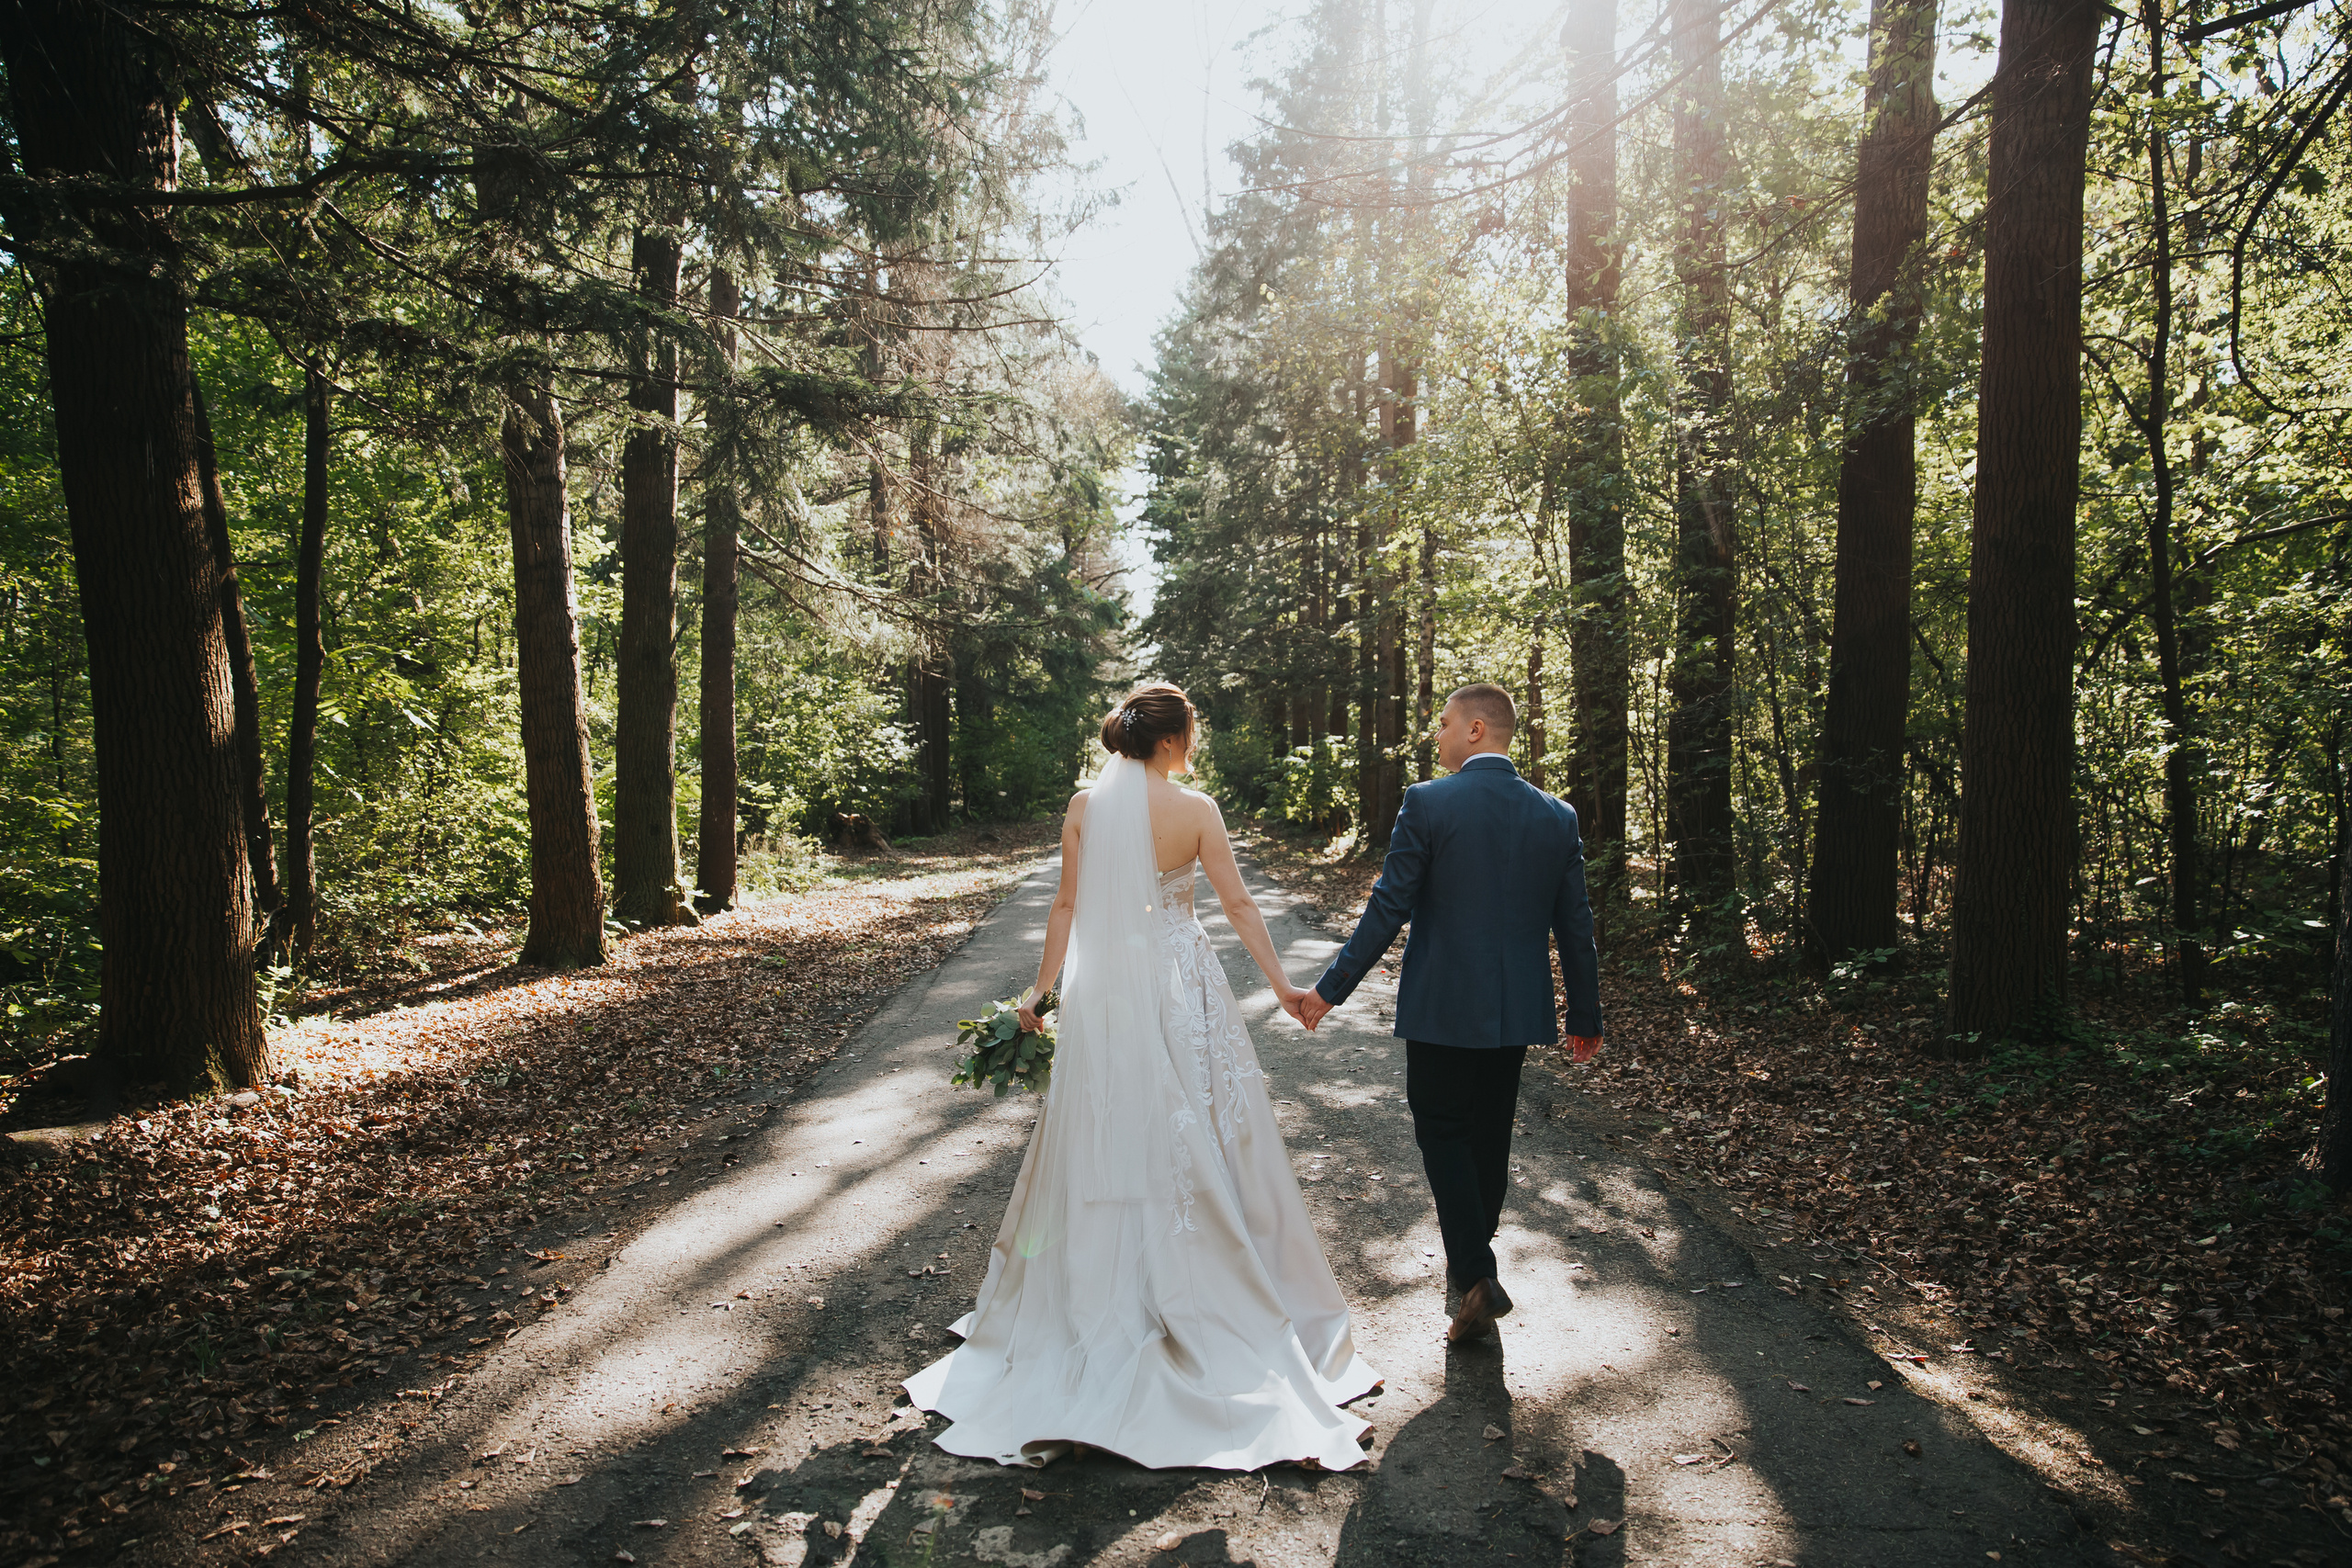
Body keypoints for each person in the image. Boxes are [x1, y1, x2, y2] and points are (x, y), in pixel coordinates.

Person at [903, 682, 1381, 1470]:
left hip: (1106, 989)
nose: (1195, 738)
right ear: (1172, 740)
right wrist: (1285, 987)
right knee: (1207, 1125)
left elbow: (1063, 907)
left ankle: (1096, 1294)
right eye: (1191, 729)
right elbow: (1237, 905)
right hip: (1181, 982)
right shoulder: (1196, 810)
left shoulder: (1085, 804)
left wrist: (1041, 992)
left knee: (1108, 1122)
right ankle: (1216, 1289)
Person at [1297, 682, 1602, 1345]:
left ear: (1475, 730)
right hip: (1517, 1008)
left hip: (1441, 1005)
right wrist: (1586, 1014)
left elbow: (1389, 906)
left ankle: (1474, 1275)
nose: (1434, 735)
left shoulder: (1428, 802)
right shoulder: (1558, 815)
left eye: (1442, 724)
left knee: (1442, 1129)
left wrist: (1330, 989)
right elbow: (1575, 925)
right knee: (1489, 1136)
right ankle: (1472, 1274)